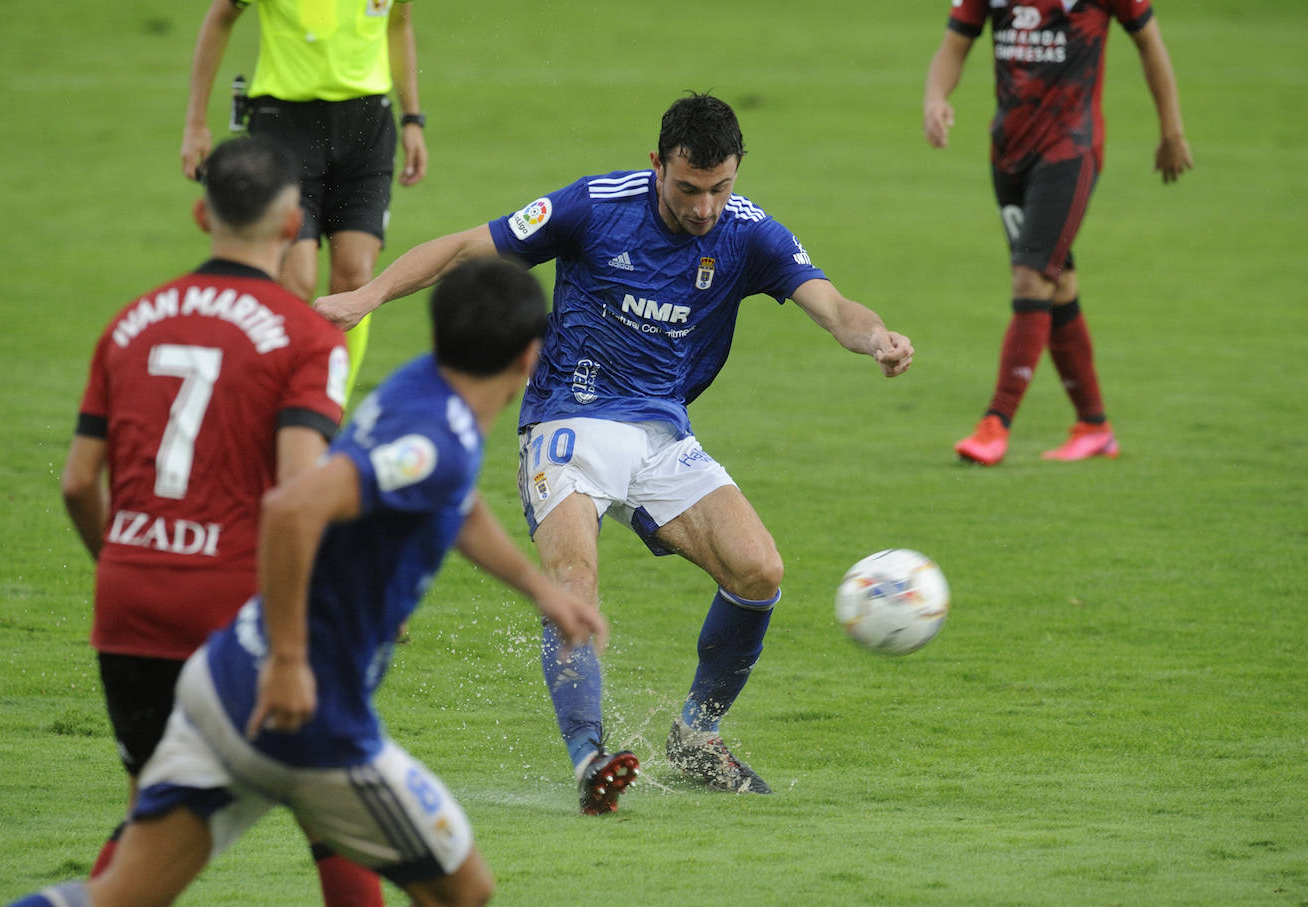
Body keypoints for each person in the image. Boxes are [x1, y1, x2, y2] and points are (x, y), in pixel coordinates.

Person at [314, 92, 914, 814]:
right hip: (567, 422)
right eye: (688, 188)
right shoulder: (595, 207)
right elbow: (467, 247)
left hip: (662, 434)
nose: (704, 208)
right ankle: (589, 758)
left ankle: (696, 735)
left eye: (720, 188)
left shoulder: (750, 233)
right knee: (574, 576)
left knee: (759, 571)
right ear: (657, 164)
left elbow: (835, 306)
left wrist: (875, 337)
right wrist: (365, 296)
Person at [2, 257, 607, 907]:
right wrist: (289, 663)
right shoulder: (439, 439)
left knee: (116, 901)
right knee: (462, 891)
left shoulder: (420, 390)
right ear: (529, 355)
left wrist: (541, 591)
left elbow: (451, 502)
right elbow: (290, 510)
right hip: (306, 713)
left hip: (225, 676)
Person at [55, 135, 404, 907]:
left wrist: (122, 562)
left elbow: (79, 480)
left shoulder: (129, 324)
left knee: (154, 823)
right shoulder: (307, 337)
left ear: (198, 212)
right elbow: (295, 493)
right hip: (238, 613)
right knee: (337, 819)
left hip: (129, 603)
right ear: (292, 225)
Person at [923, 0, 1193, 465]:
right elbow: (955, 45)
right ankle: (1094, 426)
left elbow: (1150, 42)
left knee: (1031, 277)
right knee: (1056, 280)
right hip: (1008, 153)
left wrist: (1172, 130)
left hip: (1070, 151)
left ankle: (995, 424)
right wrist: (935, 97)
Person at [180, 0, 429, 403]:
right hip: (284, 126)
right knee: (295, 282)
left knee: (355, 278)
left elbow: (399, 24)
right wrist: (195, 122)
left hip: (367, 127)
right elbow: (221, 15)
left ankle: (328, 409)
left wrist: (413, 119)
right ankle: (279, 401)